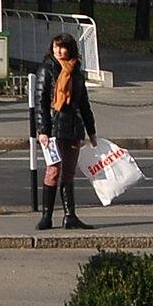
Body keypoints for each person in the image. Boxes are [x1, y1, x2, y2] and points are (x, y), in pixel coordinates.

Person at [38, 31, 95, 231]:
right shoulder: (47, 69)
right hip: (53, 128)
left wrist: (91, 131)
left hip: (73, 128)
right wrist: (42, 130)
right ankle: (47, 216)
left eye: (62, 47)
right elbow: (41, 103)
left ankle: (70, 216)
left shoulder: (77, 71)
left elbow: (84, 104)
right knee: (53, 170)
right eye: (55, 47)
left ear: (70, 48)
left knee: (69, 173)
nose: (59, 51)